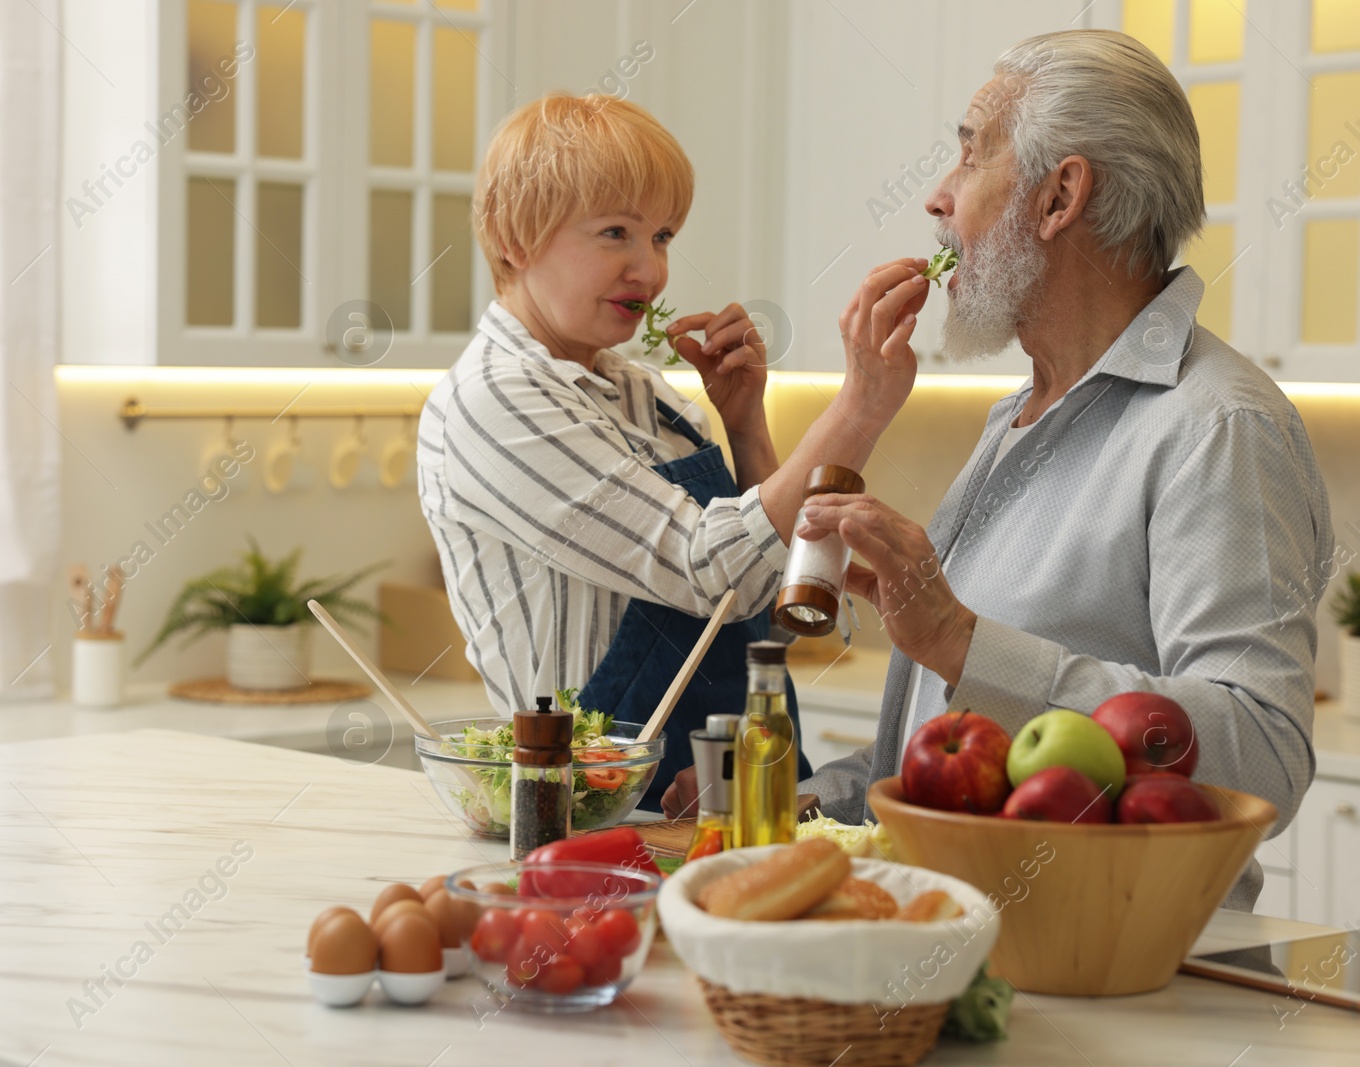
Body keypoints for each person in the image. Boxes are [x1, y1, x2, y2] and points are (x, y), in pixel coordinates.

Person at [663, 30, 1334, 910]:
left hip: (1104, 977)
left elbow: (1264, 755)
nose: (937, 198)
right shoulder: (1015, 419)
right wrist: (808, 802)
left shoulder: (1217, 427)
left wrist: (962, 642)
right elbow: (948, 750)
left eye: (971, 153)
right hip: (966, 951)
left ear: (1060, 195)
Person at [417, 93, 921, 804]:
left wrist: (747, 427)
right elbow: (711, 568)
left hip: (727, 792)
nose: (649, 272)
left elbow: (781, 598)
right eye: (615, 232)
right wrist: (860, 406)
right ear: (515, 239)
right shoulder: (494, 399)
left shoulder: (650, 396)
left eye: (662, 237)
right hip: (592, 814)